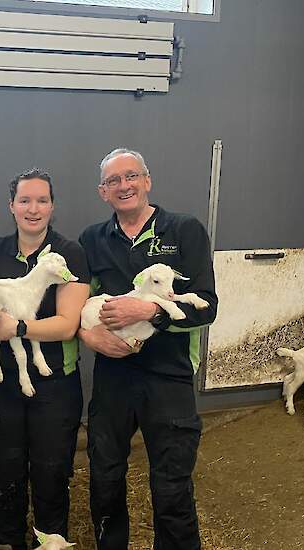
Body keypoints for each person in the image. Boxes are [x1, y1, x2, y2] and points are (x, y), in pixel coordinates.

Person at [78, 149, 217, 550]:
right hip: (113, 377)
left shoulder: (183, 230)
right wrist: (88, 337)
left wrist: (151, 311)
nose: (124, 186)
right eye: (113, 181)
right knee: (104, 476)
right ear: (103, 192)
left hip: (167, 375)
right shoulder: (92, 240)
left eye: (131, 176)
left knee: (171, 484)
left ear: (147, 181)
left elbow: (207, 305)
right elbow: (73, 306)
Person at [0, 168, 91, 550]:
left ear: (52, 206)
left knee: (52, 470)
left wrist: (15, 327)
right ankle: (7, 541)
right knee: (6, 468)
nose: (32, 209)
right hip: (4, 383)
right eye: (25, 200)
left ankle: (51, 541)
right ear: (12, 206)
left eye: (41, 200)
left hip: (54, 383)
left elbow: (67, 324)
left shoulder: (68, 254)